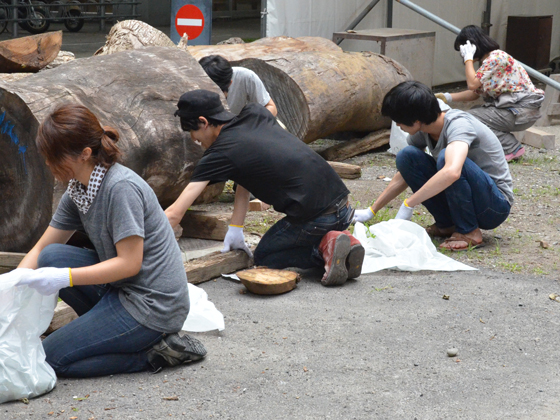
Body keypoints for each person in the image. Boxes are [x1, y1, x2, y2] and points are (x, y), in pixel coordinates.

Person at [15, 104, 206, 377]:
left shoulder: (120, 188)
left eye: (53, 157)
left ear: (84, 154)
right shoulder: (78, 191)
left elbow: (130, 264)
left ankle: (152, 353)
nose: (47, 164)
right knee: (51, 257)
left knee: (50, 358)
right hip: (121, 290)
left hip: (152, 305)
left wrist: (65, 278)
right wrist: (11, 286)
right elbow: (42, 248)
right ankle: (105, 334)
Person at [165, 89, 364, 286]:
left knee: (266, 256)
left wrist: (140, 244)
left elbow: (175, 213)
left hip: (318, 219)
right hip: (343, 206)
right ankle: (341, 240)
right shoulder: (254, 113)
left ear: (204, 122)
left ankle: (322, 249)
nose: (194, 139)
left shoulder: (220, 153)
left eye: (193, 131)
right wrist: (235, 228)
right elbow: (245, 175)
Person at [354, 81, 514, 251]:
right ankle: (448, 224)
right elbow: (405, 172)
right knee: (407, 156)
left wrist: (409, 203)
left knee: (447, 158)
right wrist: (372, 210)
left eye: (399, 121)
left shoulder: (458, 125)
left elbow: (452, 172)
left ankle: (469, 232)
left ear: (415, 120)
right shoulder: (425, 130)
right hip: (468, 199)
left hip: (493, 207)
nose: (398, 125)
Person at [436, 25, 545, 162]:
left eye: (464, 50)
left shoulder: (496, 57)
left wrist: (468, 60)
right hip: (518, 110)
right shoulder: (490, 61)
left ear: (473, 45)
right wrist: (446, 97)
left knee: (471, 117)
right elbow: (475, 93)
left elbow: (472, 84)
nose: (462, 54)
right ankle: (507, 146)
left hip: (521, 110)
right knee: (476, 112)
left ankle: (511, 147)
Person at [199, 54, 278, 117]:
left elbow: (271, 107)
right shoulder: (194, 82)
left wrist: (251, 124)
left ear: (230, 83)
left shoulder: (246, 76)